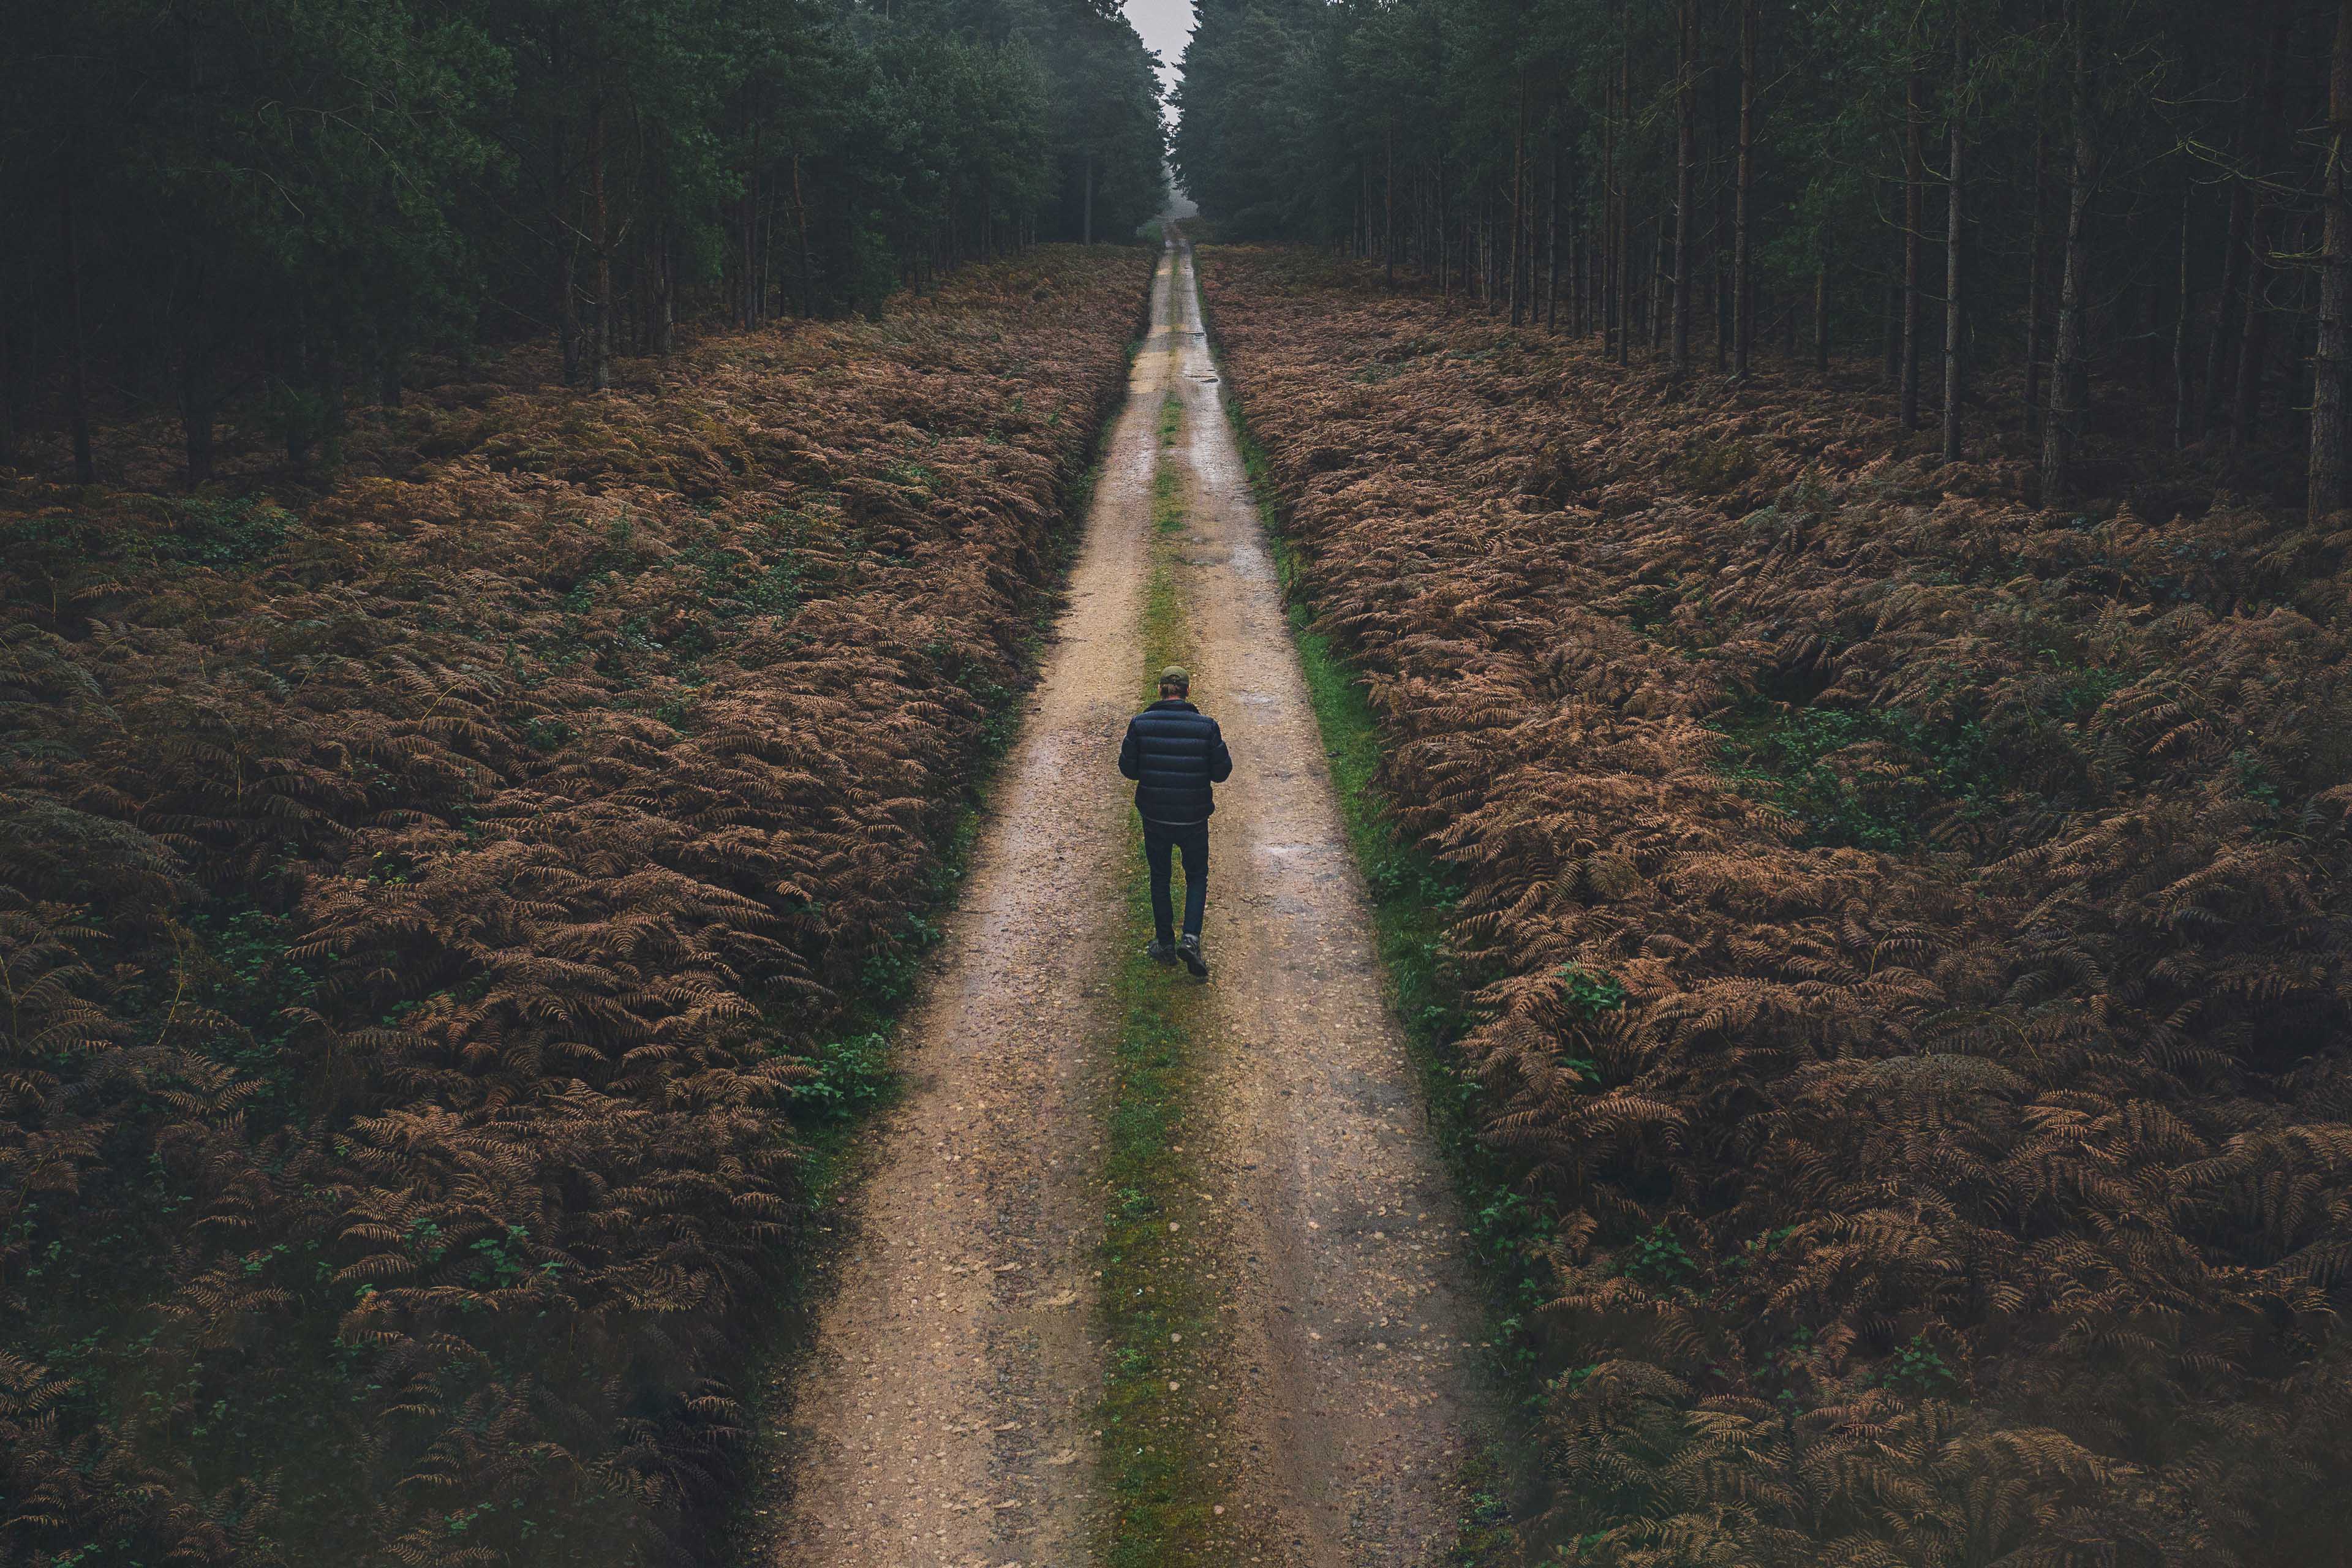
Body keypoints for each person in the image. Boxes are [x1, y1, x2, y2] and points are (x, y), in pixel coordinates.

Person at [1117, 665, 1233, 977]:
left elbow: (1128, 769)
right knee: (1196, 876)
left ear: (1160, 691)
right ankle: (1191, 940)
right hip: (1194, 818)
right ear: (1187, 692)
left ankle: (1165, 944)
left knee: (1160, 877)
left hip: (1155, 817)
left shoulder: (1140, 724)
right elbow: (1222, 773)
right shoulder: (1207, 727)